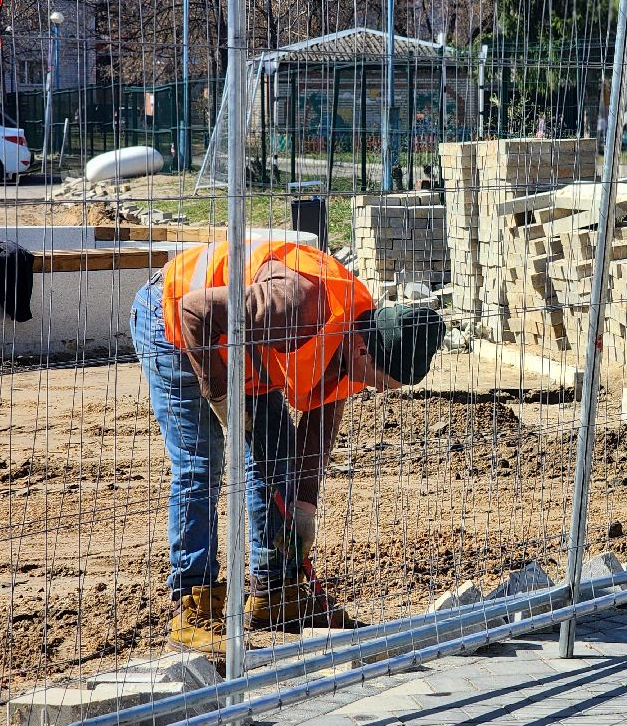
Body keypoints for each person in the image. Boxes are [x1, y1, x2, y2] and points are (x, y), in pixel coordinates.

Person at [131, 238, 445, 654]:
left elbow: (317, 427)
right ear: (365, 350)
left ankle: (272, 591)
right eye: (379, 381)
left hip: (242, 346)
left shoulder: (355, 338)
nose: (374, 389)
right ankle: (193, 602)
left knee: (274, 450)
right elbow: (195, 313)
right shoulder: (295, 304)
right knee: (200, 462)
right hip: (173, 321)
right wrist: (222, 399)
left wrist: (303, 508)